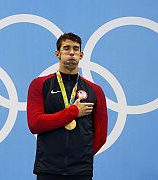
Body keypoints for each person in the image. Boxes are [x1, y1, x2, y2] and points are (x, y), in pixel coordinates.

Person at [26, 32, 108, 180]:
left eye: (76, 49)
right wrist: (73, 112)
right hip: (48, 169)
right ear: (57, 53)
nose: (71, 52)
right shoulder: (39, 84)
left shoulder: (95, 91)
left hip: (81, 171)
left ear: (81, 55)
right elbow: (35, 124)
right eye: (66, 48)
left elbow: (101, 136)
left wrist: (81, 156)